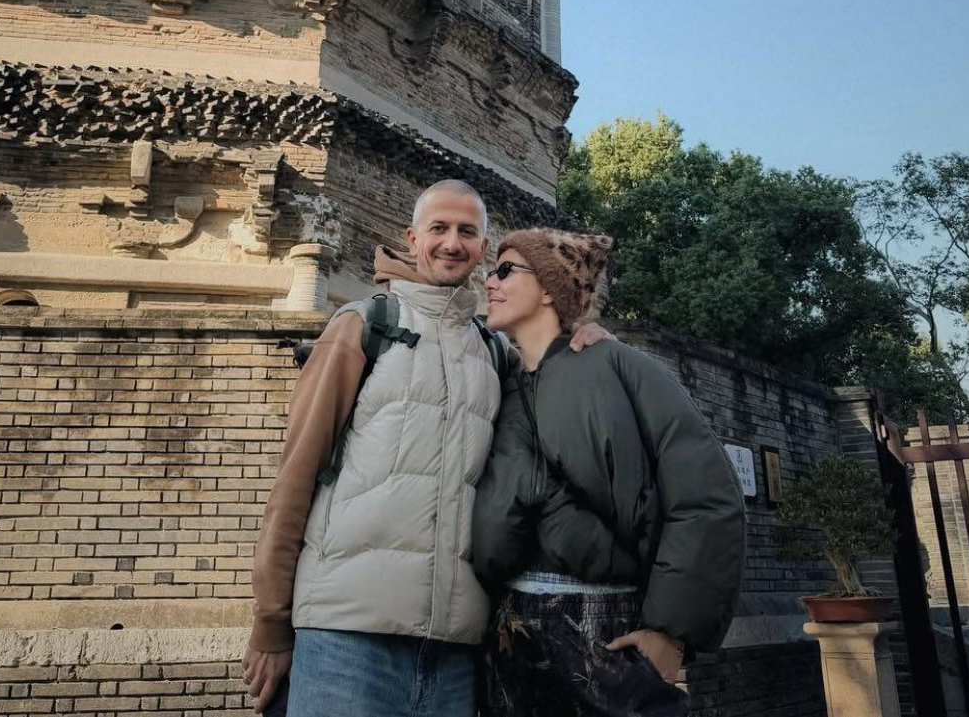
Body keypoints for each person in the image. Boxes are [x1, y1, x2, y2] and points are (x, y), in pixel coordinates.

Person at [241, 181, 609, 717]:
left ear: (483, 249)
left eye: (467, 232)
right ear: (413, 239)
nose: (452, 243)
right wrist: (271, 622)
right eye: (439, 228)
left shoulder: (494, 352)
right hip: (346, 635)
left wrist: (589, 342)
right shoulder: (365, 325)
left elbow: (553, 397)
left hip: (454, 652)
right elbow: (296, 475)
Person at [472, 229, 746, 717]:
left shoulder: (620, 365)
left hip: (604, 626)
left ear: (551, 288)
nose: (489, 281)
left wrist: (671, 632)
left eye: (506, 270)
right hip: (510, 636)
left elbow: (706, 495)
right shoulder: (500, 381)